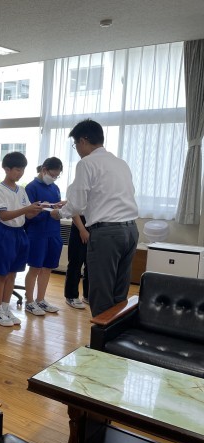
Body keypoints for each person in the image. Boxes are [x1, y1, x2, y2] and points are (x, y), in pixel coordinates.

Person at [51, 119, 139, 317]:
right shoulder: (120, 163)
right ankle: (117, 333)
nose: (77, 149)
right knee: (119, 291)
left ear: (83, 141)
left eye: (75, 144)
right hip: (130, 230)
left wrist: (58, 213)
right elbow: (106, 196)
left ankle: (101, 335)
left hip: (107, 234)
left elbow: (77, 205)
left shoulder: (87, 163)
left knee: (101, 292)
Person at [0, 152, 43, 326]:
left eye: (22, 170)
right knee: (2, 274)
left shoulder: (21, 190)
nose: (20, 173)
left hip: (20, 233)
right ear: (6, 169)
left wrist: (39, 209)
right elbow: (4, 215)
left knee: (12, 273)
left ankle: (6, 307)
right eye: (17, 170)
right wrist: (27, 209)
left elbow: (28, 214)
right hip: (4, 233)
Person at [23, 157, 64, 316]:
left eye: (56, 176)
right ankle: (29, 301)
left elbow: (55, 208)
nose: (53, 178)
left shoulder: (55, 188)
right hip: (37, 233)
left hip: (53, 232)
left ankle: (41, 299)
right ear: (44, 170)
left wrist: (59, 208)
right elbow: (27, 214)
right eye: (52, 175)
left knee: (47, 268)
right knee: (35, 267)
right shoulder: (31, 188)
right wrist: (44, 210)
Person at [64, 215, 90, 309]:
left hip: (93, 226)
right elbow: (74, 211)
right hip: (79, 226)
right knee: (76, 263)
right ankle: (71, 296)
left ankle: (88, 295)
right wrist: (82, 229)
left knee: (91, 264)